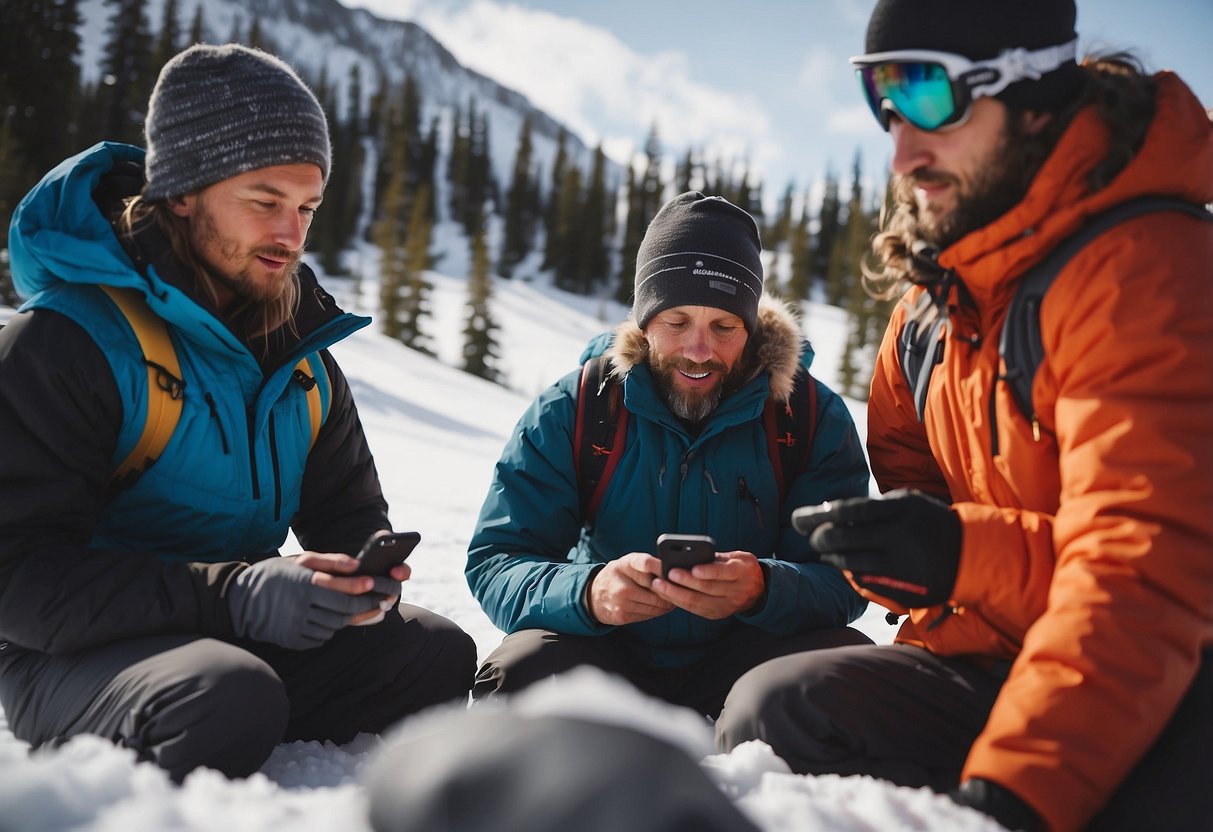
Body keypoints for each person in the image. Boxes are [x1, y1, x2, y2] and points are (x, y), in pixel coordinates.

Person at [716, 1, 1213, 830]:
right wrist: (923, 557)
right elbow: (918, 481)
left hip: (1163, 664)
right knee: (778, 714)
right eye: (881, 99)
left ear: (1032, 92)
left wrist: (1003, 800)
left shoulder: (1144, 267)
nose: (901, 149)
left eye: (925, 95)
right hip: (997, 651)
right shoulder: (932, 301)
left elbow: (1141, 570)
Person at [0, 44, 476, 782]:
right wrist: (234, 599)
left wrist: (359, 578)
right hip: (67, 659)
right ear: (183, 192)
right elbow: (16, 580)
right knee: (224, 695)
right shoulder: (68, 342)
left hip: (229, 642)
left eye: (306, 208)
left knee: (435, 655)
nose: (290, 236)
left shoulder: (303, 360)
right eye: (264, 203)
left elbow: (348, 515)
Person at [466, 191, 873, 718]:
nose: (699, 350)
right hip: (607, 648)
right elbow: (497, 559)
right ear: (643, 321)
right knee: (516, 678)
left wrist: (764, 588)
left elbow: (845, 577)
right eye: (676, 322)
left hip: (748, 655)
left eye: (724, 327)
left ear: (750, 330)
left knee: (850, 676)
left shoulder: (809, 415)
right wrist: (590, 593)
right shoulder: (577, 407)